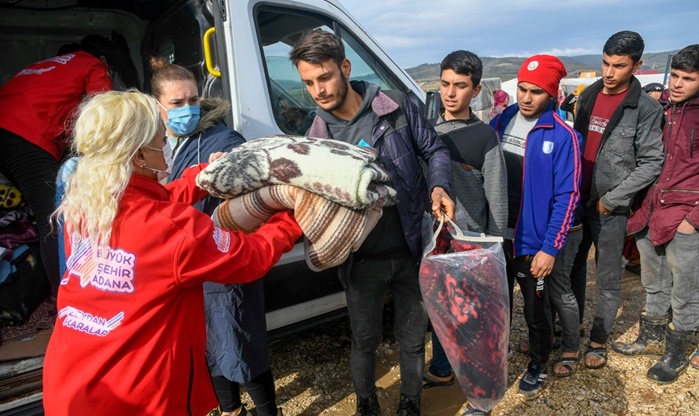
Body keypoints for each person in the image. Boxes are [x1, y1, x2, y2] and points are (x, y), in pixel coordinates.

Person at [42, 90, 302, 415]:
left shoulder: (86, 205)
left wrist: (203, 174)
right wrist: (291, 217)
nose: (165, 143)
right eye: (159, 138)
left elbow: (153, 202)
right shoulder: (171, 230)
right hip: (138, 397)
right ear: (138, 156)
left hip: (70, 383)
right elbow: (251, 256)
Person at [289, 29, 455, 416]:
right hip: (362, 263)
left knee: (412, 341)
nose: (319, 90)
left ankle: (411, 403)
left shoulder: (394, 106)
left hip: (413, 250)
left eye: (325, 77)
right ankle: (366, 403)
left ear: (345, 68)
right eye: (308, 82)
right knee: (364, 340)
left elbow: (434, 149)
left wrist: (440, 186)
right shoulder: (316, 140)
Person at [149, 56, 280, 416]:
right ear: (158, 106)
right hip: (183, 265)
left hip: (221, 257)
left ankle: (269, 412)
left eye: (192, 100)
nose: (188, 109)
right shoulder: (152, 146)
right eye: (177, 103)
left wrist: (230, 175)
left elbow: (252, 189)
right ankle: (230, 410)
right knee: (205, 344)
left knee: (241, 341)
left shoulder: (221, 139)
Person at [0, 32, 139, 296]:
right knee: (53, 220)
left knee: (31, 213)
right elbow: (104, 114)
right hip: (25, 136)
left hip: (7, 131)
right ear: (104, 59)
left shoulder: (48, 64)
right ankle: (64, 298)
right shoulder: (92, 64)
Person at [569, 30, 664, 371]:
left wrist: (613, 199)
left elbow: (652, 161)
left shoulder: (646, 109)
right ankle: (571, 330)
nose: (609, 73)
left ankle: (597, 340)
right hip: (577, 201)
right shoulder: (590, 93)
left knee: (608, 278)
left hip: (610, 209)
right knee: (572, 270)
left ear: (637, 65)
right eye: (605, 63)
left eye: (619, 66)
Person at [490, 54, 582, 398]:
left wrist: (549, 247)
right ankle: (497, 359)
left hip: (533, 245)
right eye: (522, 89)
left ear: (552, 94)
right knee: (500, 306)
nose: (526, 98)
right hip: (500, 237)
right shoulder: (504, 121)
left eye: (536, 92)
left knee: (536, 309)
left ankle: (539, 364)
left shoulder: (562, 136)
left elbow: (567, 196)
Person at [424, 50, 507, 414]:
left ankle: (481, 391)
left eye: (460, 86)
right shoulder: (427, 134)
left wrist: (493, 251)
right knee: (440, 309)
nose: (450, 93)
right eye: (444, 84)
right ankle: (443, 369)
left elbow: (497, 195)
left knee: (475, 322)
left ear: (476, 91)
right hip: (436, 242)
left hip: (471, 247)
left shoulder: (484, 136)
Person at [612, 44, 699, 383]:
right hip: (649, 211)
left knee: (686, 290)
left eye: (688, 79)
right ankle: (651, 338)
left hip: (684, 216)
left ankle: (675, 354)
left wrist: (693, 221)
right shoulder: (660, 109)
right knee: (653, 281)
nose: (677, 84)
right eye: (675, 76)